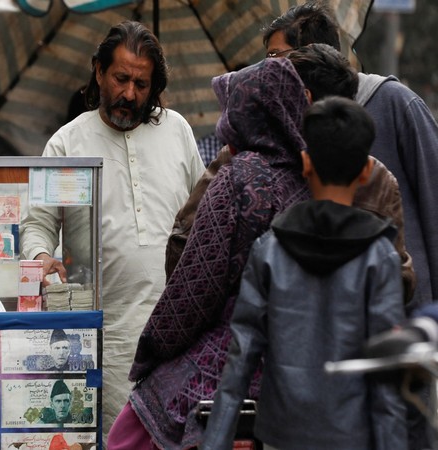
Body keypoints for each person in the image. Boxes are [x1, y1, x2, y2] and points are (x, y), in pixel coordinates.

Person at [108, 57, 310, 449]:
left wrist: (152, 349)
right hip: (298, 366)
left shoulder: (238, 178)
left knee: (126, 436)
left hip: (230, 363)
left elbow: (195, 289)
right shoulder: (313, 178)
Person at [19, 20, 204, 438]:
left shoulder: (177, 131)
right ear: (98, 71)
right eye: (121, 79)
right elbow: (38, 223)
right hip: (108, 333)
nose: (129, 94)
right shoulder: (67, 143)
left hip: (176, 327)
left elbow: (201, 214)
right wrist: (41, 258)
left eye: (141, 83)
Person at [201, 96, 407, 450]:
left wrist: (215, 443)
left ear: (306, 163)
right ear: (366, 172)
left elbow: (239, 364)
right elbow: (386, 379)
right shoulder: (379, 257)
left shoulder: (270, 250)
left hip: (281, 435)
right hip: (353, 437)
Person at [165, 43, 415, 307]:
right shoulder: (375, 175)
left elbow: (183, 249)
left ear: (302, 98)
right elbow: (400, 283)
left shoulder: (241, 158)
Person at [262, 0, 438, 313]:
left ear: (311, 55)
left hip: (410, 310)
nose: (269, 71)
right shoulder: (289, 128)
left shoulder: (394, 103)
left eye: (278, 58)